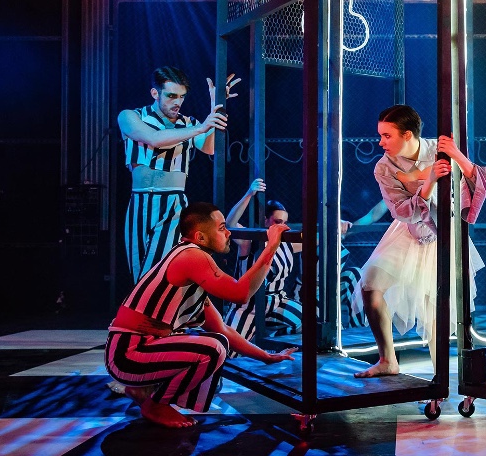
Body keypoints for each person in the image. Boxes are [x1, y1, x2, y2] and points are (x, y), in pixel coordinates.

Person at [104, 202, 297, 428]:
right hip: (127, 355)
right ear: (201, 237)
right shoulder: (192, 256)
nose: (229, 233)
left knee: (215, 350)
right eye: (222, 228)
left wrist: (267, 357)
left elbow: (222, 328)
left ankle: (143, 389)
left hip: (134, 352)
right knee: (214, 348)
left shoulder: (190, 264)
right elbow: (240, 294)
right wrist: (271, 246)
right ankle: (156, 405)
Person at [352, 105, 486, 378]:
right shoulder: (384, 166)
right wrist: (427, 182)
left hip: (443, 232)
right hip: (408, 230)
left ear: (407, 135)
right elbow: (402, 211)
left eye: (387, 135)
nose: (381, 142)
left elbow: (479, 186)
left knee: (435, 308)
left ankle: (441, 377)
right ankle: (387, 360)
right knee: (370, 284)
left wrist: (456, 155)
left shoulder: (438, 149)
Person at [118, 66, 241, 283]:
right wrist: (201, 127)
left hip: (172, 203)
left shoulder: (188, 123)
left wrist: (216, 108)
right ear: (155, 93)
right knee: (139, 277)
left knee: (158, 274)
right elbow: (154, 138)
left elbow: (209, 147)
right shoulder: (131, 116)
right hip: (139, 201)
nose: (177, 102)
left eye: (182, 97)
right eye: (171, 96)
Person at [222, 180, 365, 343]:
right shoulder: (250, 241)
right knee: (230, 347)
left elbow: (321, 236)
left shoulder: (287, 244)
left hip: (277, 301)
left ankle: (274, 341)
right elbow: (230, 224)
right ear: (266, 220)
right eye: (278, 222)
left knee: (314, 321)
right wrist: (249, 194)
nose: (283, 226)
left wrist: (336, 225)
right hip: (249, 304)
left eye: (285, 222)